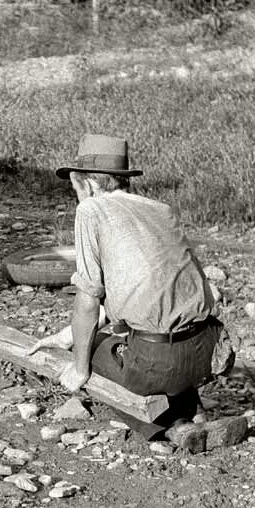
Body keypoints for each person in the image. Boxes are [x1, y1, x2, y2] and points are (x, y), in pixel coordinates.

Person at [29, 133, 232, 440]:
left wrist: (78, 367)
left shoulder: (91, 210)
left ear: (86, 183)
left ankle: (175, 428)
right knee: (153, 338)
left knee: (96, 350)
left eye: (75, 188)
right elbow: (146, 293)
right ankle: (196, 413)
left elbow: (87, 301)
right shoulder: (161, 209)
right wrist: (63, 337)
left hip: (161, 361)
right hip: (207, 353)